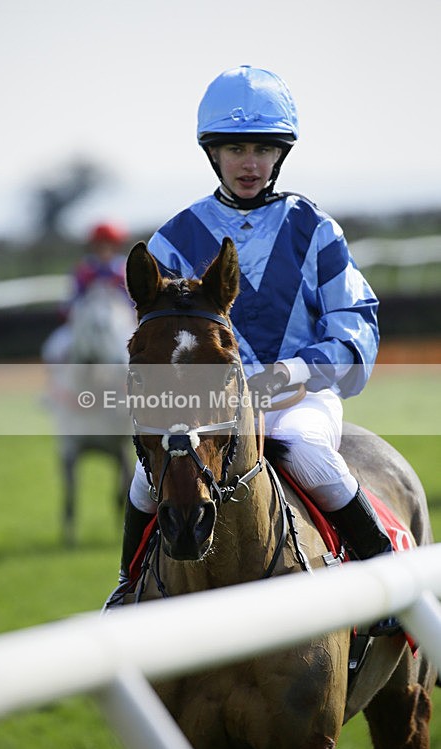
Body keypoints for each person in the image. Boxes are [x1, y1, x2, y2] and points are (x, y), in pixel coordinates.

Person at [108, 66, 397, 634]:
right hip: (207, 408)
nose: (249, 162)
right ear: (212, 154)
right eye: (235, 148)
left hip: (298, 398)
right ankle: (126, 590)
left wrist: (296, 370)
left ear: (279, 155)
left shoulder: (315, 230)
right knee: (148, 480)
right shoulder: (174, 238)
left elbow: (357, 326)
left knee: (310, 454)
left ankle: (390, 588)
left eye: (263, 149)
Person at [41, 221, 128, 364]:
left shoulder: (124, 269)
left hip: (123, 326)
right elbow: (71, 300)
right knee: (54, 349)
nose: (104, 249)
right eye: (100, 244)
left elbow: (134, 302)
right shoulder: (84, 270)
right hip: (83, 325)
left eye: (109, 244)